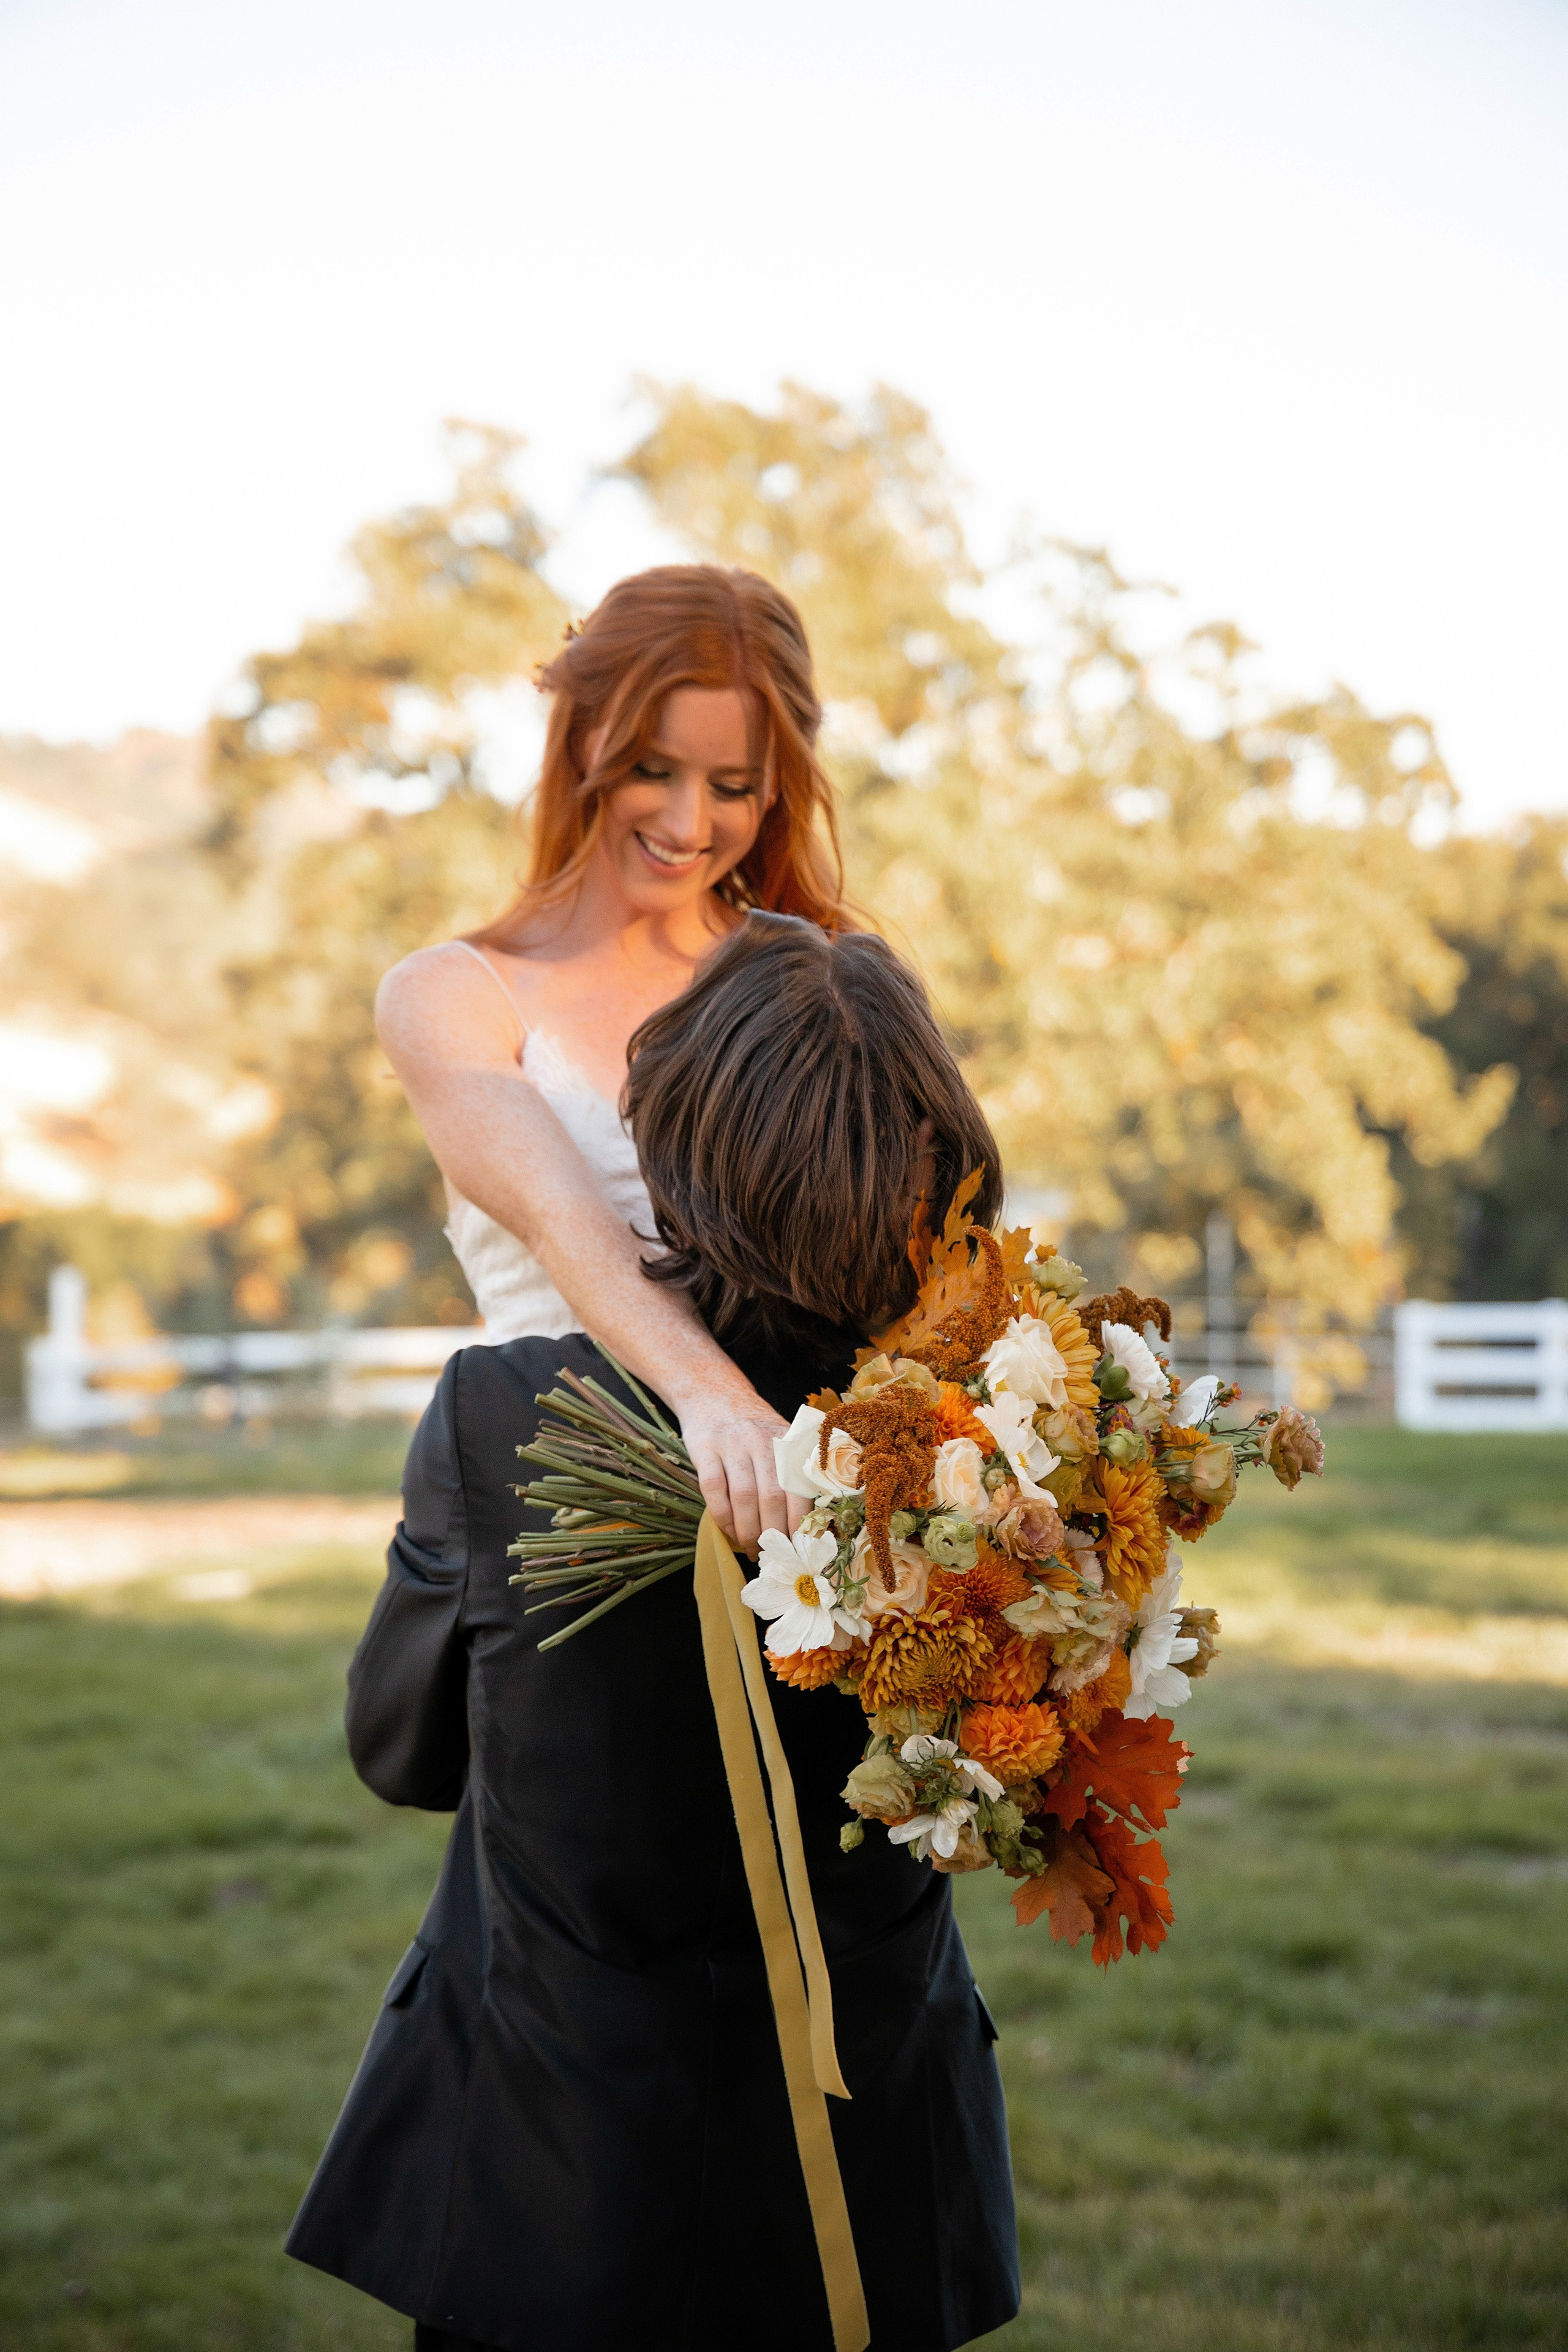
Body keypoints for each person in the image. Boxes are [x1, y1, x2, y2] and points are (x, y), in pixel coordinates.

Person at [285, 914, 1023, 2352]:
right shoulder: (985, 1443)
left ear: (673, 1137)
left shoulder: (508, 1417)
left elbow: (401, 1751)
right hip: (869, 2152)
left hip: (553, 2164)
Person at [375, 563, 852, 1554]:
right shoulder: (452, 995)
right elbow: (564, 1222)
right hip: (564, 1530)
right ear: (584, 737)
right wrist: (720, 1408)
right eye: (653, 769)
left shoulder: (828, 983)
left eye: (732, 789)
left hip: (812, 1524)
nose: (687, 826)